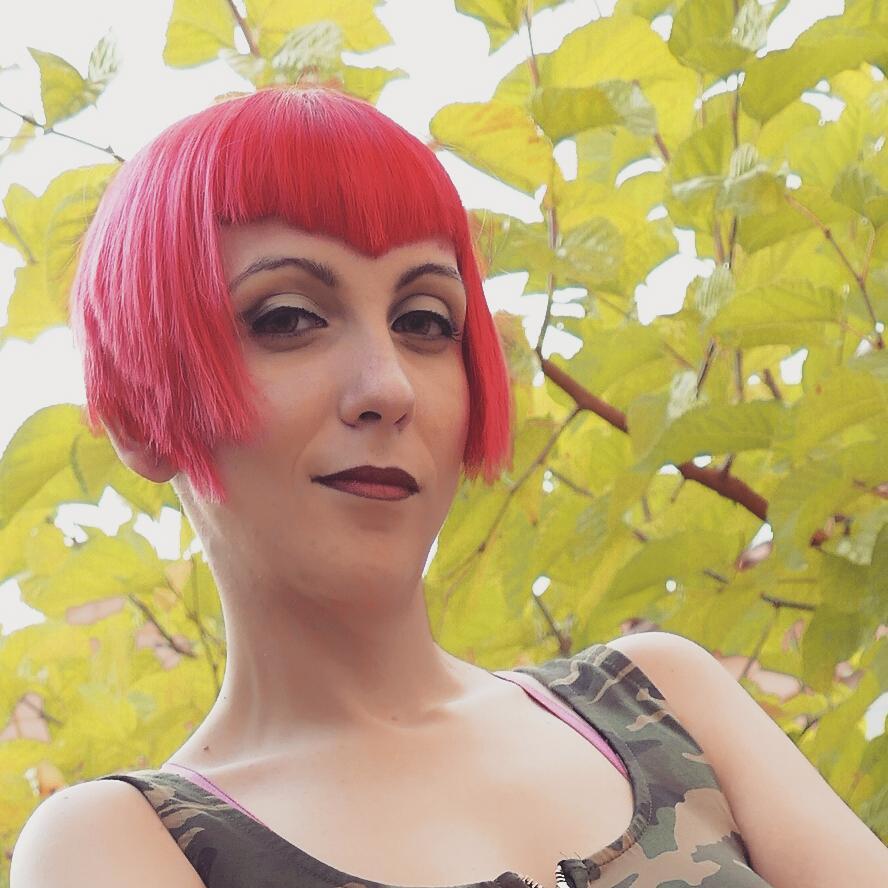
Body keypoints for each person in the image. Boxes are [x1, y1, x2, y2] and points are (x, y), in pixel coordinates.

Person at [10, 85, 887, 888]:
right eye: (289, 318)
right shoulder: (122, 843)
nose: (388, 386)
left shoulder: (657, 701)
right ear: (139, 413)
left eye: (425, 321)